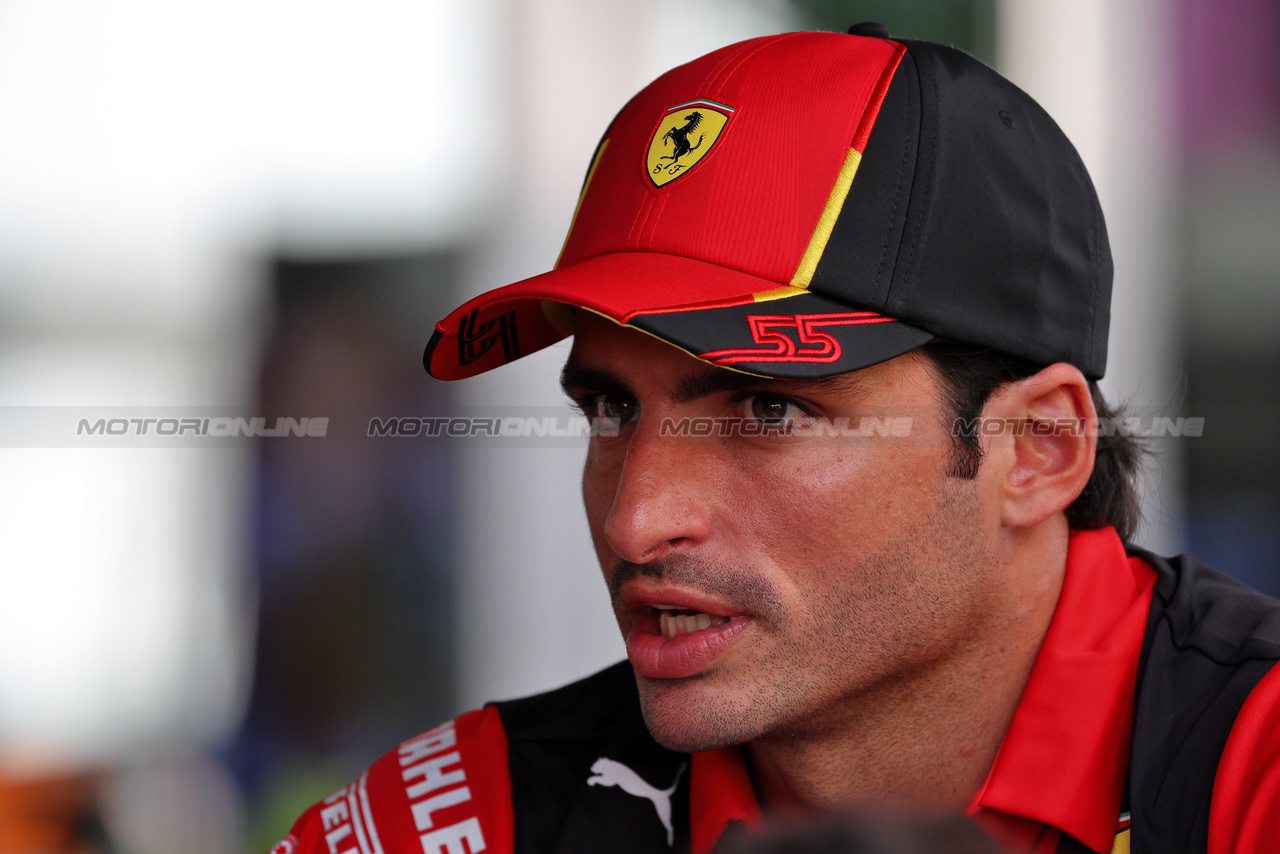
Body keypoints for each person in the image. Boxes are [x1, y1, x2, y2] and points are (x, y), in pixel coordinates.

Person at [273, 26, 1280, 854]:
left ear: (1034, 448)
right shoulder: (463, 819)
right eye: (611, 409)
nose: (635, 519)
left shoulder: (1249, 761)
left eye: (767, 410)